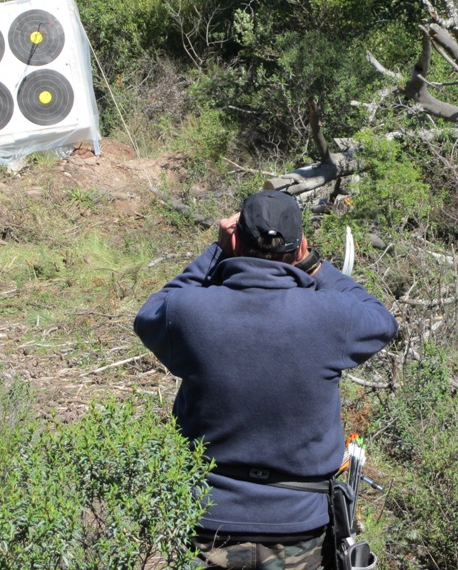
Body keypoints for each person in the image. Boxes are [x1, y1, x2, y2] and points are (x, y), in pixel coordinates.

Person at [133, 189, 398, 570]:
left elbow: (150, 313)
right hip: (300, 524)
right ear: (300, 246)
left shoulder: (190, 311)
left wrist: (216, 251)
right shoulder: (331, 315)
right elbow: (382, 319)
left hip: (210, 519)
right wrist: (315, 265)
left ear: (236, 238)